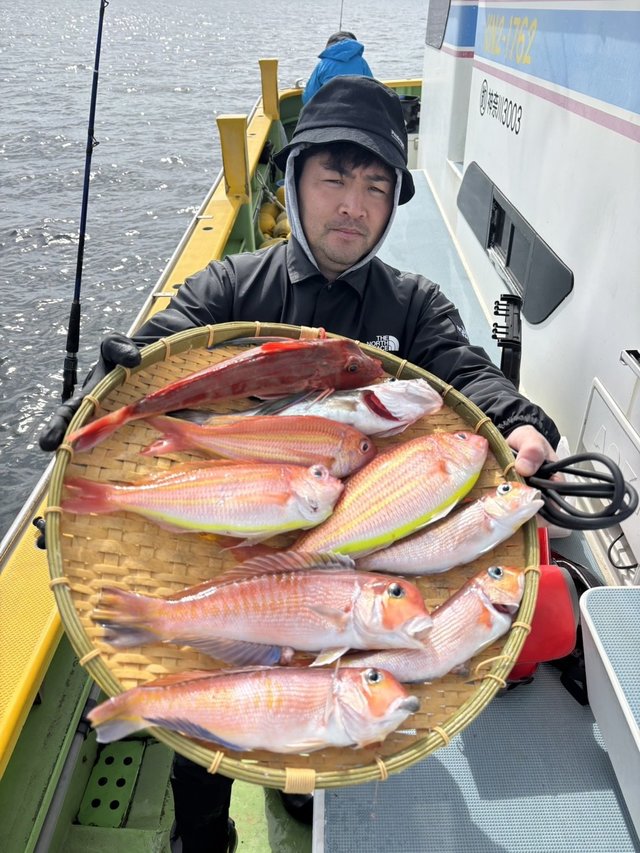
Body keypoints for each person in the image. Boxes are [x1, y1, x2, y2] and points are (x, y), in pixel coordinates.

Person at [40, 75, 560, 852]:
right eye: (335, 178)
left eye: (376, 186)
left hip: (343, 601)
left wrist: (521, 421)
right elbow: (161, 346)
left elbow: (466, 372)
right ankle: (203, 836)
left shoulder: (412, 306)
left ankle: (319, 800)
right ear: (295, 180)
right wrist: (101, 382)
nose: (353, 204)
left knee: (333, 724)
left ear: (391, 206)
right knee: (205, 740)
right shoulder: (230, 285)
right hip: (235, 551)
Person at [302, 31, 373, 105]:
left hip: (327, 111)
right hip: (357, 110)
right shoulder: (362, 63)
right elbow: (373, 89)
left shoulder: (322, 64)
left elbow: (308, 97)